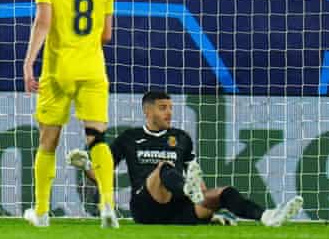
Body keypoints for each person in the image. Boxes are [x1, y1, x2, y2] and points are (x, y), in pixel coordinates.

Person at [67, 90, 304, 226]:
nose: (169, 112)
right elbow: (103, 175)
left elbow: (194, 173)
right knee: (164, 168)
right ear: (147, 111)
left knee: (224, 193)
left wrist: (208, 205)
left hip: (179, 206)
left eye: (170, 107)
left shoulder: (181, 138)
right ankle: (190, 194)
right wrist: (87, 166)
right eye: (162, 107)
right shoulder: (130, 137)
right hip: (146, 207)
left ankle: (268, 216)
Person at [22, 0, 118, 228]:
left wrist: (28, 62)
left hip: (58, 69)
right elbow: (106, 35)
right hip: (92, 69)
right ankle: (107, 207)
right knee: (97, 139)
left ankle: (41, 212)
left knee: (48, 141)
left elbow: (43, 22)